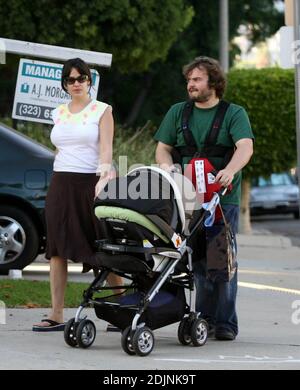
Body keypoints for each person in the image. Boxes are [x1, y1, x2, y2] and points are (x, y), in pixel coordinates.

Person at [154, 56, 254, 340]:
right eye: (189, 80)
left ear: (214, 82)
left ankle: (225, 323)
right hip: (186, 198)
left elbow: (244, 147)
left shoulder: (234, 113)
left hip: (222, 200)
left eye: (197, 80)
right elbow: (163, 148)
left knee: (220, 261)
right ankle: (204, 320)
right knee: (197, 261)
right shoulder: (177, 112)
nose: (190, 85)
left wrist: (230, 171)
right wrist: (166, 166)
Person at [33, 58, 123, 332]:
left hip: (90, 182)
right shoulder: (58, 112)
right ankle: (57, 313)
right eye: (70, 80)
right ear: (64, 84)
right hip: (61, 182)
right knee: (56, 249)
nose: (76, 84)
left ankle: (120, 310)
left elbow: (106, 149)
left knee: (102, 245)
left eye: (81, 78)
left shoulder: (102, 110)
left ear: (89, 81)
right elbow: (60, 149)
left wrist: (103, 178)